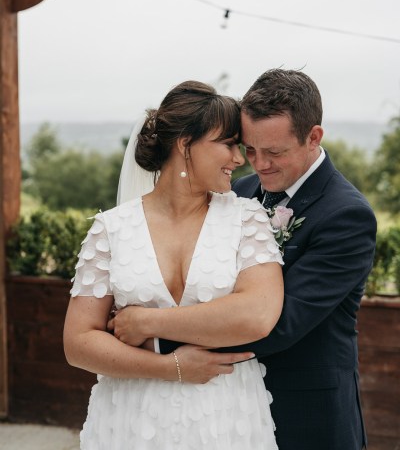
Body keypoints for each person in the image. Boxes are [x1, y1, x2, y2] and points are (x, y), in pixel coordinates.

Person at [116, 69, 376, 450]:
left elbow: (280, 323)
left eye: (274, 152)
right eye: (249, 149)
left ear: (313, 137)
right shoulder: (238, 191)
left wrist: (152, 336)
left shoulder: (346, 216)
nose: (258, 164)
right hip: (228, 406)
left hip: (305, 409)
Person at [63, 80, 284, 450]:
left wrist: (146, 322)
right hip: (131, 417)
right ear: (185, 144)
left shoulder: (248, 219)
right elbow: (78, 342)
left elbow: (257, 315)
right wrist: (172, 368)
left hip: (225, 415)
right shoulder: (112, 229)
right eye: (228, 143)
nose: (239, 159)